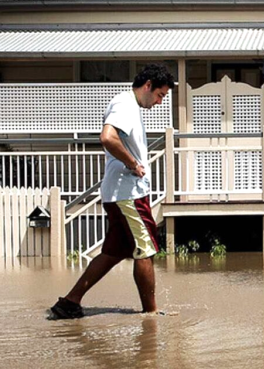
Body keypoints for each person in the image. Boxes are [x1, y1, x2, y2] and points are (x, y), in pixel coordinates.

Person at [50, 64, 175, 319]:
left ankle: (69, 302)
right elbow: (107, 137)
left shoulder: (128, 105)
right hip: (128, 194)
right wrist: (133, 163)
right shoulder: (126, 105)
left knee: (113, 253)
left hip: (120, 193)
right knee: (146, 249)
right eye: (160, 95)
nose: (160, 102)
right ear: (148, 85)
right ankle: (150, 314)